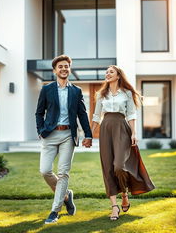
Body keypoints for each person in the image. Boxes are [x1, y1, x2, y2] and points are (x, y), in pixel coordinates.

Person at [91, 65, 155, 221]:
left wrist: (133, 132)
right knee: (107, 167)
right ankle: (114, 207)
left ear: (118, 75)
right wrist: (89, 134)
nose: (107, 74)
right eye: (106, 72)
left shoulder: (127, 93)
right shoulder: (101, 94)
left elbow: (131, 114)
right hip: (106, 129)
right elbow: (96, 116)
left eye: (111, 72)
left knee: (119, 166)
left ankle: (125, 193)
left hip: (122, 128)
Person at [35, 55, 92, 224]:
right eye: (60, 66)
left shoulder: (76, 91)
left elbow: (82, 114)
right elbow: (39, 112)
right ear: (55, 70)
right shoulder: (47, 89)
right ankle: (66, 196)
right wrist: (40, 130)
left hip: (68, 134)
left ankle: (55, 211)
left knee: (63, 173)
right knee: (45, 171)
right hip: (50, 134)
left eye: (66, 66)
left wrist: (88, 134)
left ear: (70, 69)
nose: (64, 69)